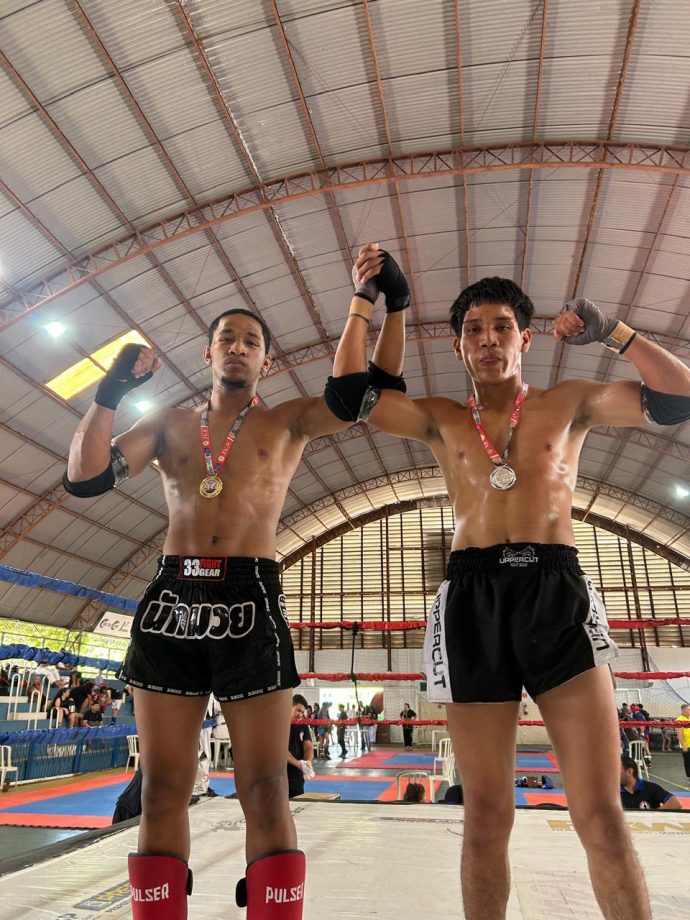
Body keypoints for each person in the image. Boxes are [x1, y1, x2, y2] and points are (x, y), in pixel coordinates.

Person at [349, 243, 690, 920]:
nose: (487, 340)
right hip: (471, 597)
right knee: (484, 814)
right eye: (473, 331)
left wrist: (615, 334)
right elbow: (359, 398)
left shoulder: (568, 403)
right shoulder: (444, 418)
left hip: (555, 591)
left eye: (501, 327)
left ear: (525, 338)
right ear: (458, 346)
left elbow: (678, 399)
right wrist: (389, 301)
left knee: (599, 811)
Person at [64, 302, 369, 919]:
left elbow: (350, 396)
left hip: (249, 596)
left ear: (265, 358)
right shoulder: (169, 424)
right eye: (226, 338)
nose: (238, 347)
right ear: (207, 353)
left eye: (251, 340)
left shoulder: (287, 421)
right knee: (161, 790)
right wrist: (109, 392)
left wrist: (363, 302)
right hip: (173, 599)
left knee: (265, 786)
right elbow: (83, 477)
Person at [287, 694, 314, 798]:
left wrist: (308, 762)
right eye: (298, 710)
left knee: (297, 806)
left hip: (297, 776)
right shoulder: (279, 724)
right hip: (280, 774)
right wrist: (299, 764)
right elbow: (281, 750)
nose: (300, 715)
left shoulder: (303, 724)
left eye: (303, 712)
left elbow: (308, 746)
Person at [676, 703, 690, 784]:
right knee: (688, 761)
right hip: (686, 745)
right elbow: (679, 734)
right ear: (683, 710)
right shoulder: (679, 720)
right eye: (688, 709)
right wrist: (683, 745)